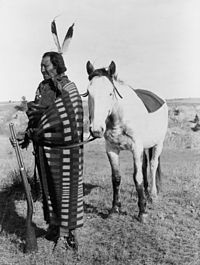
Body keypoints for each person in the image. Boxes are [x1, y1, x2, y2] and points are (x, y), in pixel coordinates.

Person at [19, 51, 84, 251]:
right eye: (40, 65)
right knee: (49, 192)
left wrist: (47, 126)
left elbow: (72, 116)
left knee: (66, 193)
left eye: (45, 65)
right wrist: (28, 134)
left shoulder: (68, 87)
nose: (42, 68)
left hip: (65, 151)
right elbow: (37, 115)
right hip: (43, 149)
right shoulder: (42, 87)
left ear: (56, 66)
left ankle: (67, 234)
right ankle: (55, 227)